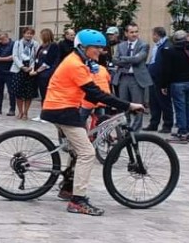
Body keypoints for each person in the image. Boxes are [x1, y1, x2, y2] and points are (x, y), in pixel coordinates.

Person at [41, 29, 145, 216]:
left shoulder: (80, 62)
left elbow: (94, 91)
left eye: (101, 47)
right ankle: (77, 201)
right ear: (83, 47)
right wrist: (127, 105)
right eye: (96, 47)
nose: (100, 51)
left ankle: (67, 187)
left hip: (63, 107)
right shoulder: (75, 65)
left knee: (76, 149)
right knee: (87, 153)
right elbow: (94, 92)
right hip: (62, 109)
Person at [158, 29, 189, 144]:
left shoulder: (171, 52)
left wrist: (164, 85)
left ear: (174, 39)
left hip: (178, 83)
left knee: (180, 107)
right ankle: (188, 130)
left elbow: (166, 70)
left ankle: (182, 132)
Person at [111, 22, 152, 132]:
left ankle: (136, 130)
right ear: (126, 33)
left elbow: (138, 59)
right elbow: (114, 60)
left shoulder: (144, 45)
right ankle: (125, 128)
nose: (134, 34)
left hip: (136, 79)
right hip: (123, 78)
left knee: (138, 105)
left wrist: (123, 59)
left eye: (136, 31)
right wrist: (131, 59)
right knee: (123, 104)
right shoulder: (120, 45)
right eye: (132, 32)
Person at [146, 26, 173, 133]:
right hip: (153, 77)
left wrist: (164, 82)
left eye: (153, 34)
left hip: (161, 79)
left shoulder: (166, 45)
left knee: (164, 103)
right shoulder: (157, 46)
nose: (152, 37)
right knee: (154, 102)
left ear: (157, 35)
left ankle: (167, 124)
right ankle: (154, 123)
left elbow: (165, 65)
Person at [10, 27, 39, 120]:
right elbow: (14, 56)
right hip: (19, 69)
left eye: (31, 34)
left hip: (30, 70)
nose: (29, 35)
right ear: (23, 34)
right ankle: (20, 112)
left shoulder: (35, 44)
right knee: (18, 93)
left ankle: (26, 112)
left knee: (28, 93)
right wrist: (22, 66)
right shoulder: (17, 43)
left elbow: (36, 57)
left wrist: (31, 67)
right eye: (27, 33)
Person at [0, 31, 16, 116]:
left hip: (9, 72)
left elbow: (13, 57)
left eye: (3, 39)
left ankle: (12, 109)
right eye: (0, 39)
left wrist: (0, 59)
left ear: (7, 37)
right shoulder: (0, 45)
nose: (1, 40)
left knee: (11, 91)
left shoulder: (13, 44)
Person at [33, 28, 61, 105]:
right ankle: (43, 112)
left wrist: (37, 71)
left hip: (47, 74)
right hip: (41, 74)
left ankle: (47, 113)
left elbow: (48, 61)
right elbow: (37, 59)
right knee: (43, 94)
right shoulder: (42, 46)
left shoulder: (53, 46)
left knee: (47, 94)